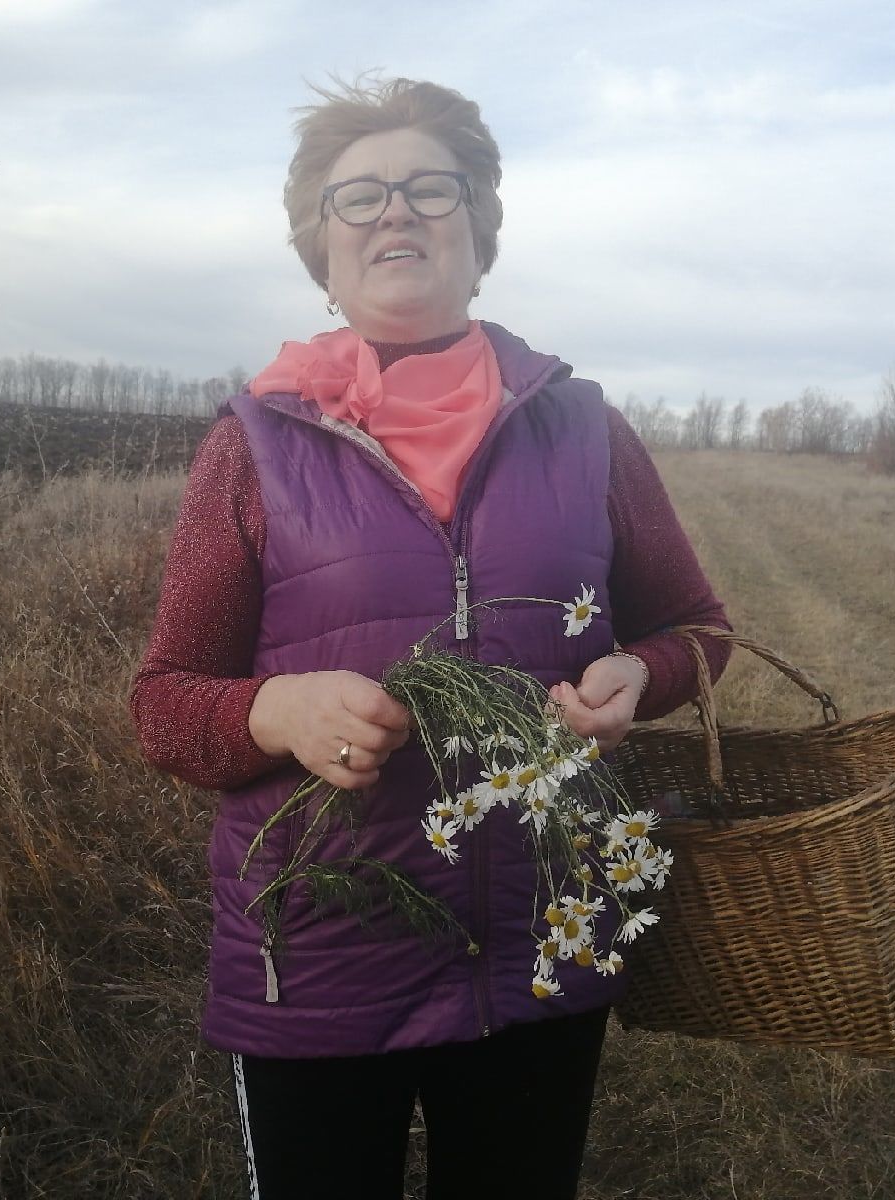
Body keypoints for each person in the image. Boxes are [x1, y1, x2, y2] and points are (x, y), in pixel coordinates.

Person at [131, 77, 732, 1200]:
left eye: (428, 188)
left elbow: (698, 629)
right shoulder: (253, 446)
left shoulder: (584, 427)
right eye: (358, 197)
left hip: (539, 953)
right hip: (316, 959)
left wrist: (634, 678)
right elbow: (164, 700)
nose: (394, 213)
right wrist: (277, 710)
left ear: (479, 226)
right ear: (321, 244)